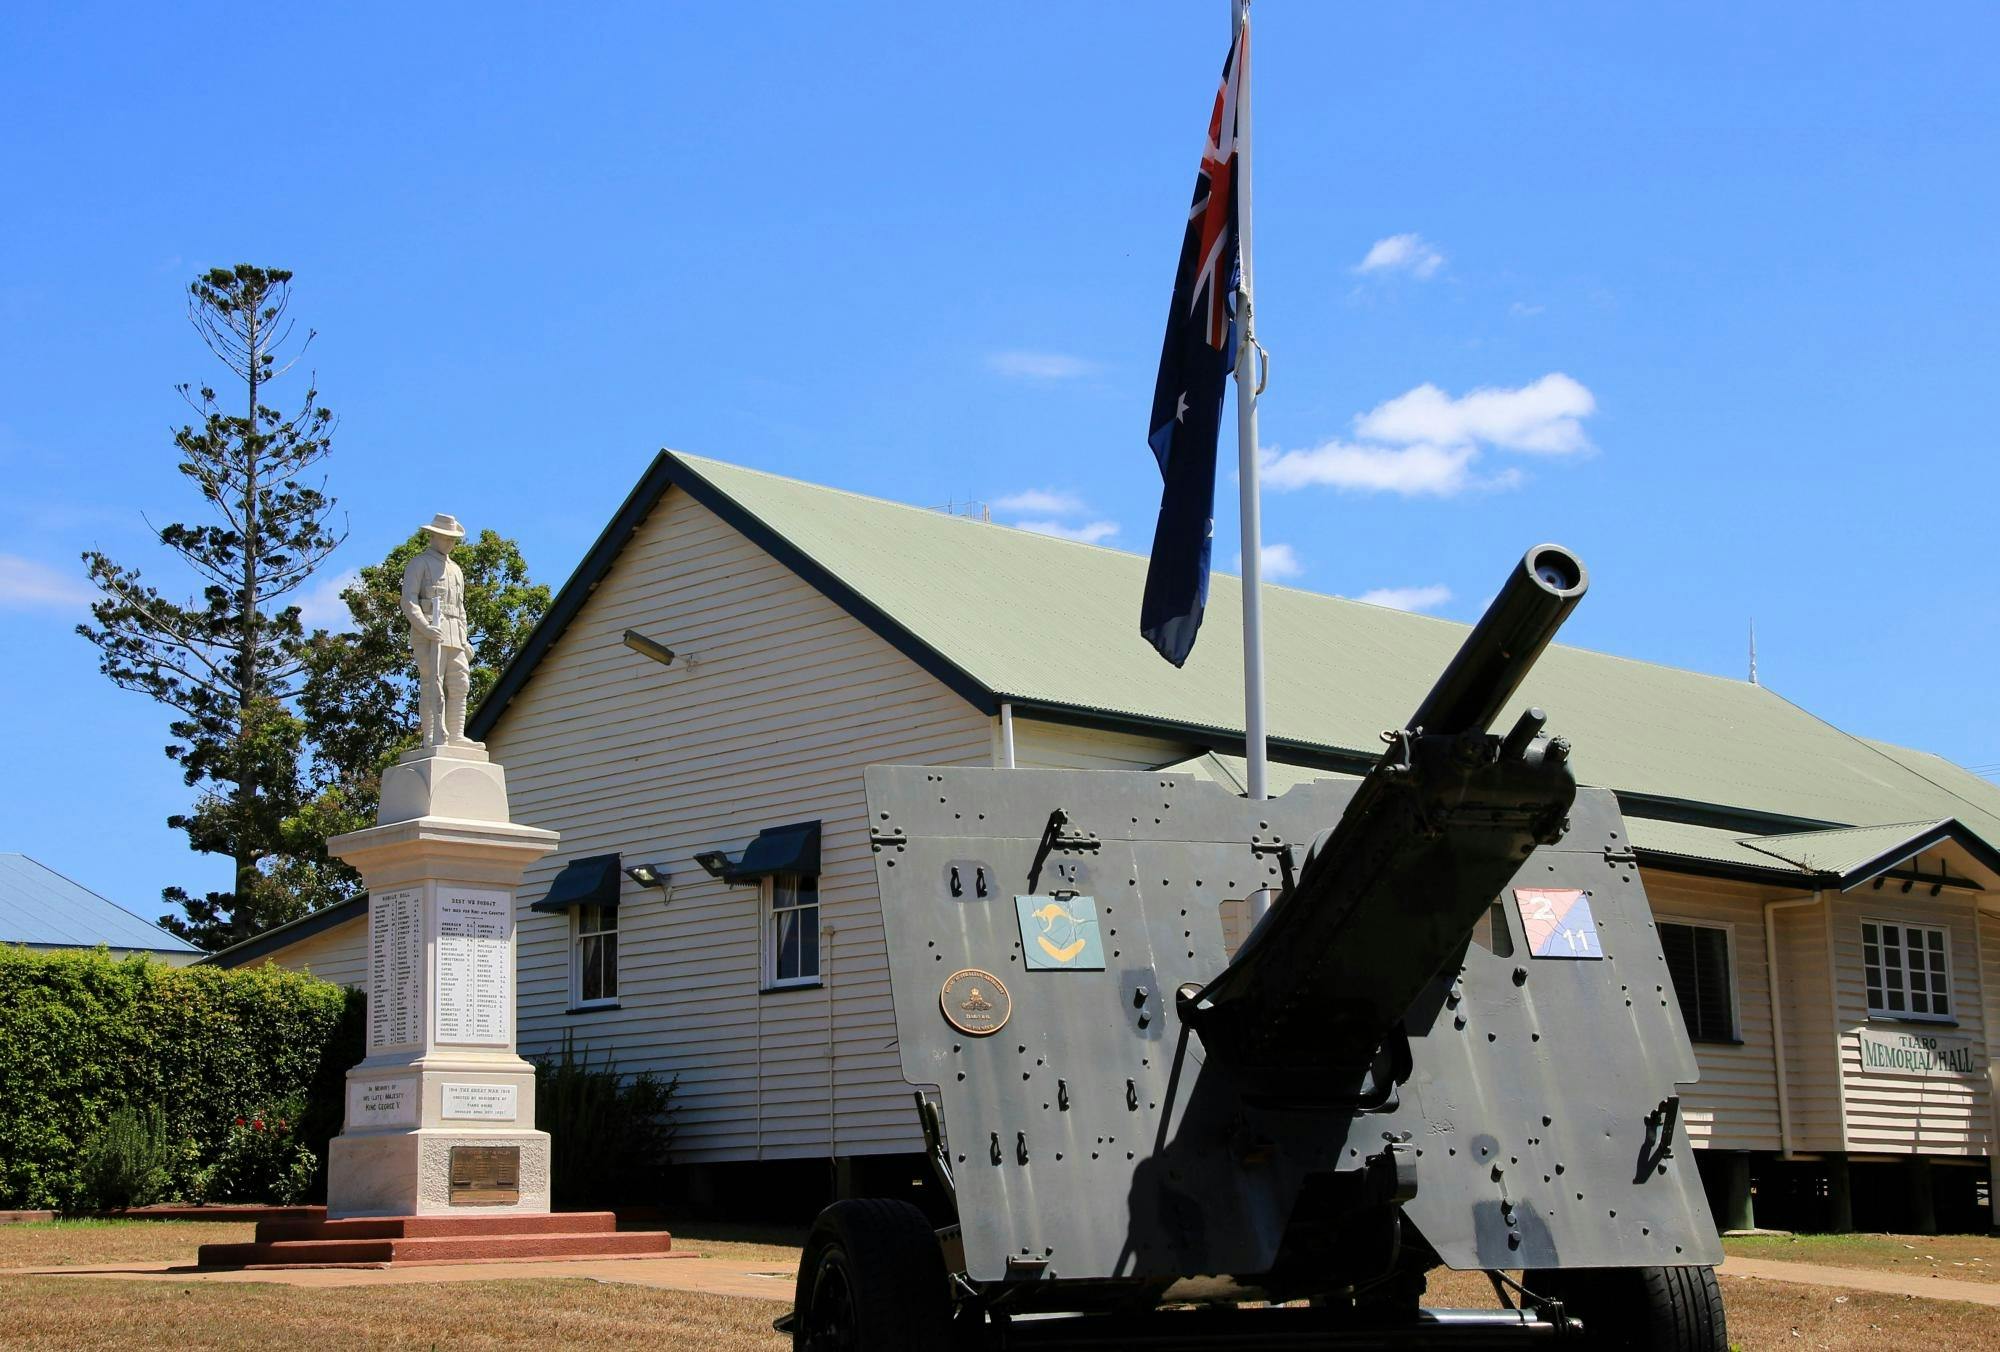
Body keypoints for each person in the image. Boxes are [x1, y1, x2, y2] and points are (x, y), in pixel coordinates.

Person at [400, 513, 482, 750]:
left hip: (455, 633)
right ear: (434, 536)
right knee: (432, 683)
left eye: (453, 539)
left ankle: (456, 734)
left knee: (460, 683)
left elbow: (460, 607)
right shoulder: (419, 563)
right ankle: (432, 735)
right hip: (430, 632)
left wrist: (464, 637)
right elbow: (409, 601)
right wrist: (425, 627)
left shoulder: (456, 569)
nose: (450, 543)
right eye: (445, 537)